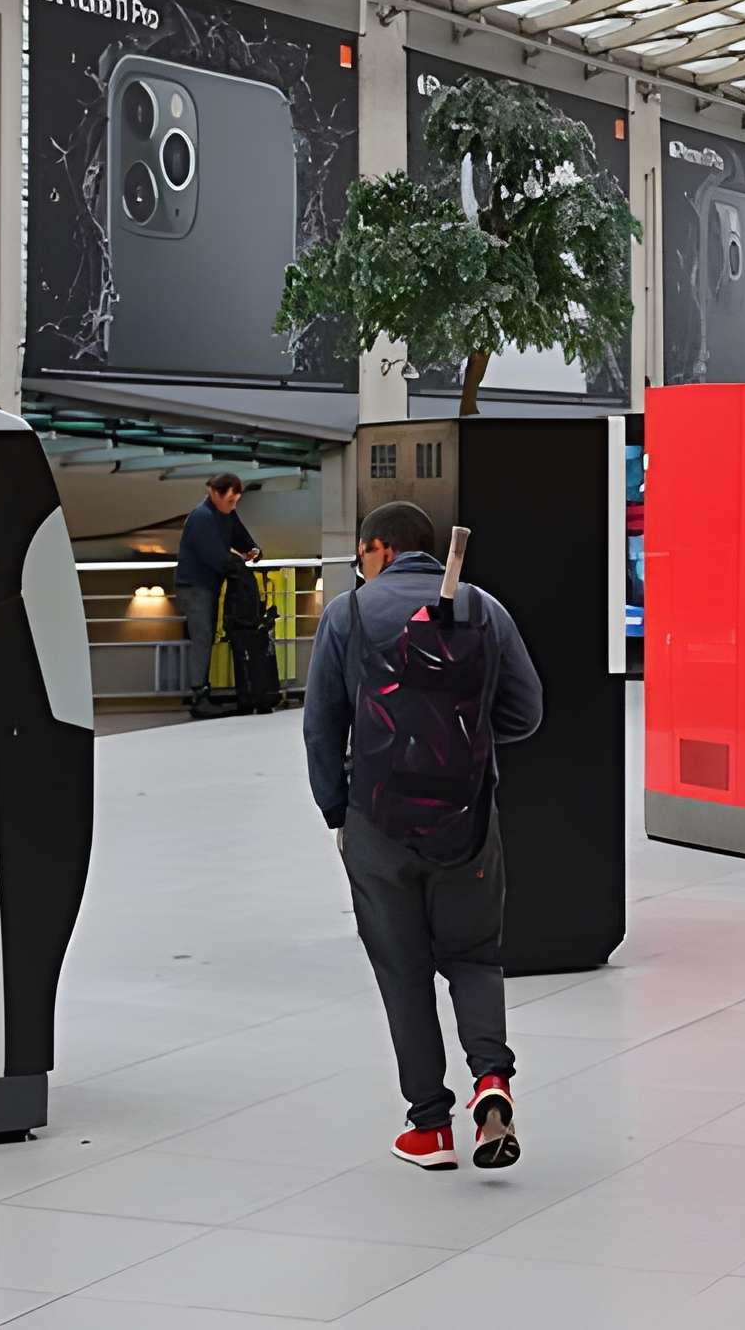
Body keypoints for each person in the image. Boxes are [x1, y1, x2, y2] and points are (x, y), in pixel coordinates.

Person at [302, 502, 544, 1172]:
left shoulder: (347, 615)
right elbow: (526, 711)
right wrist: (462, 743)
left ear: (378, 548)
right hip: (466, 817)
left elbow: (323, 728)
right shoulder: (485, 609)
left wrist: (337, 812)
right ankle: (492, 1081)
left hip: (377, 823)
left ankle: (429, 1128)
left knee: (402, 970)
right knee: (474, 955)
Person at [175, 472, 262, 719]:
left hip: (207, 587)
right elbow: (214, 556)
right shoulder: (201, 517)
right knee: (203, 637)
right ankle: (199, 696)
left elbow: (239, 536)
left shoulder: (225, 514)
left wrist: (253, 549)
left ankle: (202, 693)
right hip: (194, 587)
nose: (232, 506)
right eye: (230, 500)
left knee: (206, 636)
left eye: (235, 501)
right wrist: (238, 560)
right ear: (215, 493)